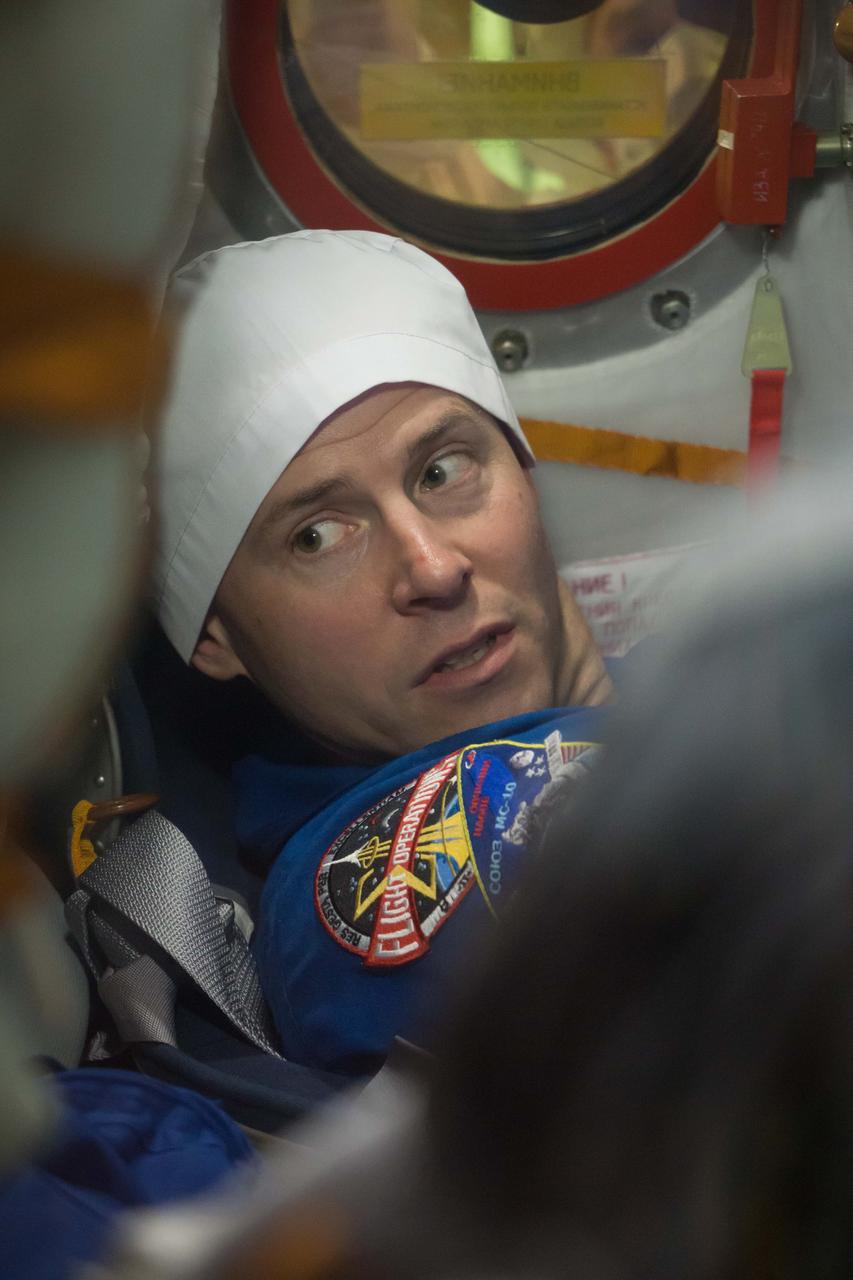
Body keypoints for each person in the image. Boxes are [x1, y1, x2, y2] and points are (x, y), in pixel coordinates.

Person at [153, 229, 614, 1074]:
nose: (433, 568)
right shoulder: (373, 883)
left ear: (520, 466)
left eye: (441, 472)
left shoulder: (678, 682)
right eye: (318, 536)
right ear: (215, 636)